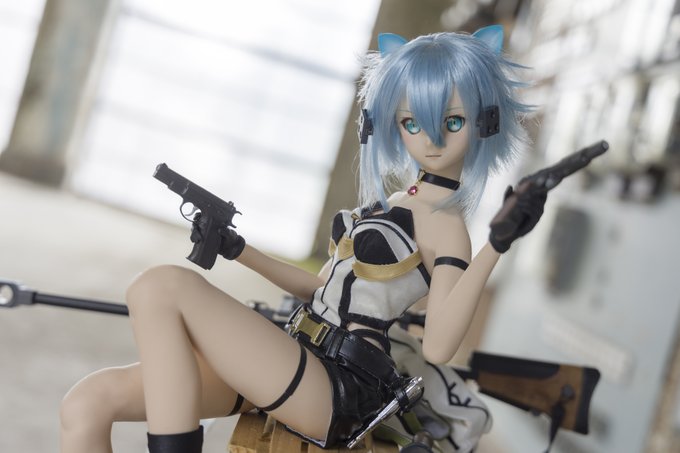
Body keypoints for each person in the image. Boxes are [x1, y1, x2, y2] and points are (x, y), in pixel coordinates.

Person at [60, 26, 542, 453]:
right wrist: (238, 249)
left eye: (452, 122)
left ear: (485, 122)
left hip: (339, 385)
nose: (432, 140)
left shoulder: (447, 227)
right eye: (412, 123)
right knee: (87, 402)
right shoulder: (395, 203)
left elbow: (437, 347)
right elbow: (321, 288)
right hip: (295, 351)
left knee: (162, 286)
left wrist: (495, 246)